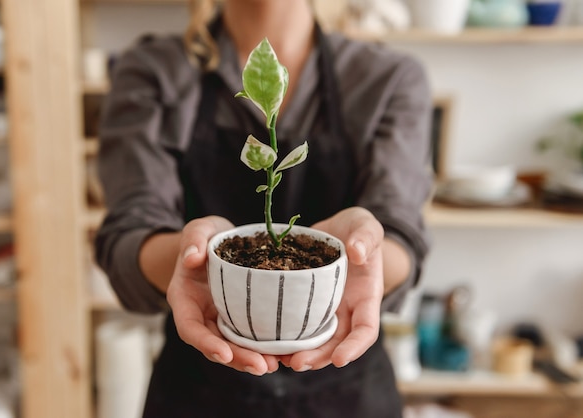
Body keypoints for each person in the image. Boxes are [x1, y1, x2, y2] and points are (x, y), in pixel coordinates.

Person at [95, 0, 432, 416]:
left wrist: (362, 253)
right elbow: (128, 233)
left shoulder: (387, 78)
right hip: (201, 390)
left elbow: (400, 236)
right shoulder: (155, 70)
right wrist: (199, 259)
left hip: (346, 392)